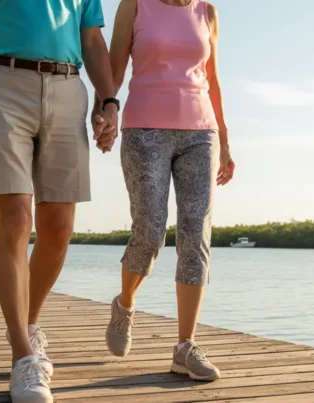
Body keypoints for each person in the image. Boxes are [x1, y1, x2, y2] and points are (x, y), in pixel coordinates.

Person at [0, 2, 119, 402]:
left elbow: (94, 41)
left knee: (59, 229)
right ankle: (23, 357)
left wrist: (109, 100)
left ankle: (28, 325)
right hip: (0, 81)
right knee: (14, 218)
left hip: (68, 88)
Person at [98, 0, 235, 381]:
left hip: (200, 134)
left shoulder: (206, 11)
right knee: (151, 228)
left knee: (196, 234)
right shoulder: (135, 5)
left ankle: (184, 347)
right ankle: (125, 304)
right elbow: (113, 69)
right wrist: (105, 114)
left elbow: (213, 77)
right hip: (144, 130)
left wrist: (224, 139)